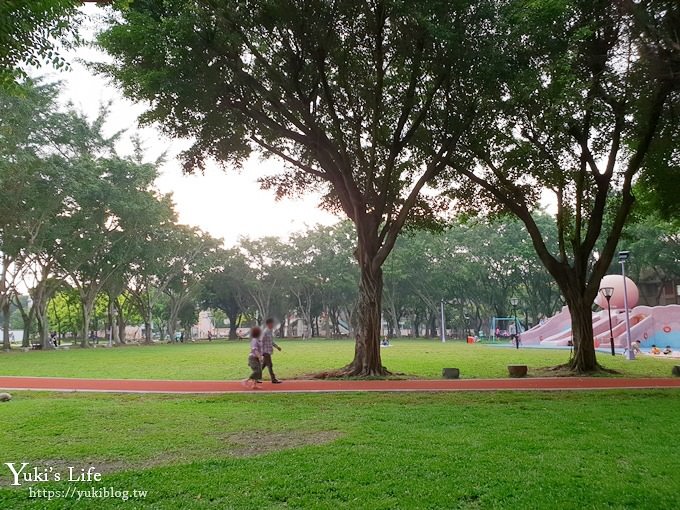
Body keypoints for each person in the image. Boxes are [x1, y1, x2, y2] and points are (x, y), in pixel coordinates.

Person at [261, 318, 282, 384]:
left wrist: (277, 347)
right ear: (268, 324)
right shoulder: (265, 332)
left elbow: (271, 342)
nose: (273, 325)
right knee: (270, 365)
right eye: (272, 323)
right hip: (265, 351)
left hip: (268, 351)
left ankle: (255, 377)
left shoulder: (270, 331)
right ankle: (273, 379)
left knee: (263, 365)